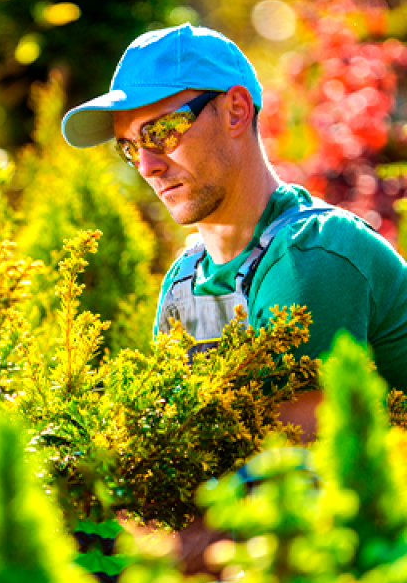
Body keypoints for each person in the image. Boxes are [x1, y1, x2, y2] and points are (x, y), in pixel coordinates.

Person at [61, 23, 407, 441]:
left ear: (236, 111)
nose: (147, 166)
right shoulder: (184, 281)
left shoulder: (314, 253)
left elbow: (287, 472)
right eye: (130, 147)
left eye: (161, 131)